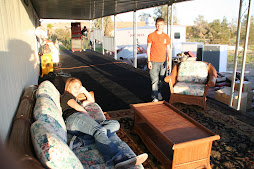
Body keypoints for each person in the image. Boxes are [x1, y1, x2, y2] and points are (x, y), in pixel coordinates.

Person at [60, 78, 148, 168]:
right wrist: (88, 117)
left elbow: (91, 101)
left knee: (114, 124)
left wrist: (85, 90)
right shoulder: (66, 96)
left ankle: (82, 141)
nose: (78, 89)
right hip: (73, 120)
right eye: (75, 87)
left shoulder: (77, 100)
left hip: (80, 122)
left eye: (79, 87)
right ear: (68, 87)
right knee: (99, 130)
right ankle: (118, 158)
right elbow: (79, 109)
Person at [147, 18, 171, 102]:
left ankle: (158, 92)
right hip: (153, 61)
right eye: (157, 24)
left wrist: (169, 61)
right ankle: (155, 98)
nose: (159, 26)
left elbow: (168, 49)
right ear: (155, 25)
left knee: (161, 80)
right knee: (154, 80)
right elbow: (148, 48)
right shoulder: (151, 35)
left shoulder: (166, 36)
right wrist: (149, 61)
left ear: (163, 25)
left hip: (163, 61)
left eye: (161, 24)